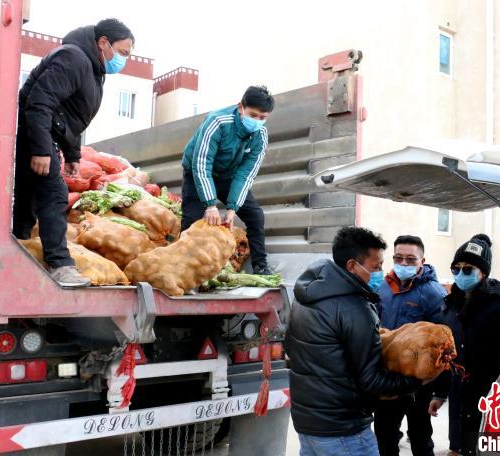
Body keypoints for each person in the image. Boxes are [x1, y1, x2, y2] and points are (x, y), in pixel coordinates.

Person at [13, 19, 134, 287]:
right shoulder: (73, 58)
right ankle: (60, 265)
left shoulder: (93, 70)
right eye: (123, 53)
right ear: (103, 42)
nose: (124, 60)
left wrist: (74, 156)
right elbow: (39, 103)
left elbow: (72, 119)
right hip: (32, 134)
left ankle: (18, 253)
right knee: (55, 195)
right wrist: (42, 150)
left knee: (29, 200)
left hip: (44, 136)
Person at [286, 227, 422, 456]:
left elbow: (291, 349)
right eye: (376, 267)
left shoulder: (305, 296)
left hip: (307, 426)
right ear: (352, 266)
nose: (381, 272)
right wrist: (416, 380)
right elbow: (372, 381)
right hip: (344, 431)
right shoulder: (355, 309)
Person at [428, 234, 500, 456]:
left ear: (484, 272)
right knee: (458, 448)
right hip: (458, 397)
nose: (461, 274)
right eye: (456, 269)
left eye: (468, 269)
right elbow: (448, 355)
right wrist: (440, 393)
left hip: (490, 400)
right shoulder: (450, 306)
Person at [180, 86, 275, 275]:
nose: (257, 121)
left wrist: (232, 208)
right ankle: (184, 269)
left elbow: (246, 174)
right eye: (253, 115)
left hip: (228, 176)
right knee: (192, 219)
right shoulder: (217, 122)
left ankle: (260, 265)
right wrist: (210, 204)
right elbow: (201, 163)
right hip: (197, 172)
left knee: (255, 215)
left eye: (262, 118)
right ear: (241, 107)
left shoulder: (260, 135)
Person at [375, 235, 447, 456]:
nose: (403, 264)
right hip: (387, 379)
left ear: (422, 261)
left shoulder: (434, 294)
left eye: (410, 259)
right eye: (398, 258)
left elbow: (443, 345)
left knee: (420, 436)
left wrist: (440, 391)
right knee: (384, 436)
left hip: (419, 383)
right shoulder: (383, 288)